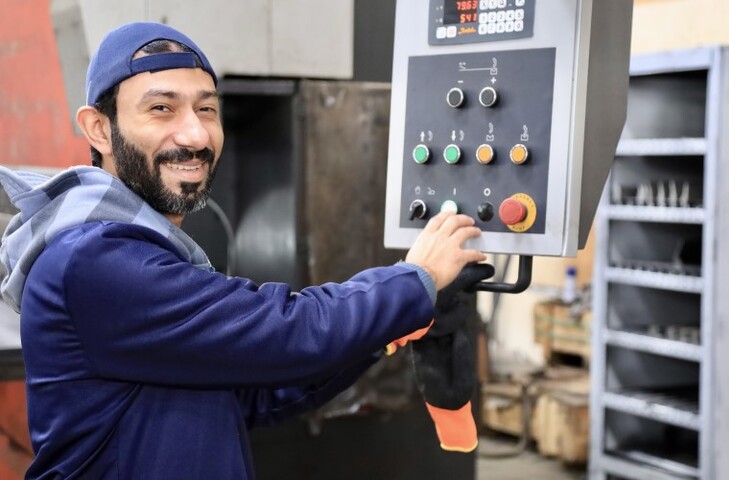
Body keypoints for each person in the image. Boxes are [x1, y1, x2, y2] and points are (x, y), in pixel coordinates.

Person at [0, 22, 487, 479]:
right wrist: (414, 280)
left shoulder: (143, 252)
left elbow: (254, 390)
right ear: (99, 129)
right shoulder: (92, 259)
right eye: (161, 108)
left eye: (207, 109)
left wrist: (387, 329)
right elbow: (284, 329)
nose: (194, 135)